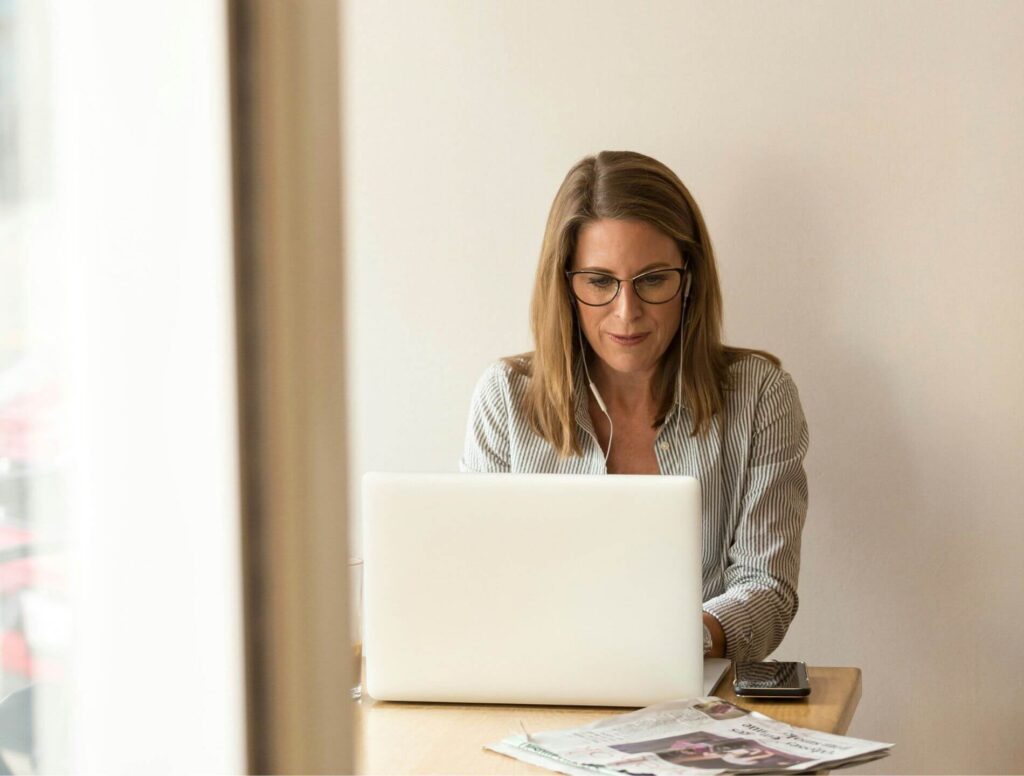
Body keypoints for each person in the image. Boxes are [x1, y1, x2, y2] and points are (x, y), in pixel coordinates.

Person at [459, 150, 808, 662]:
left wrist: (675, 642)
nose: (627, 313)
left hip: (698, 696)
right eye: (600, 282)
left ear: (688, 278)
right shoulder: (506, 398)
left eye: (652, 280)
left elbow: (768, 589)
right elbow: (478, 583)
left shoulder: (760, 395)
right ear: (566, 285)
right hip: (540, 688)